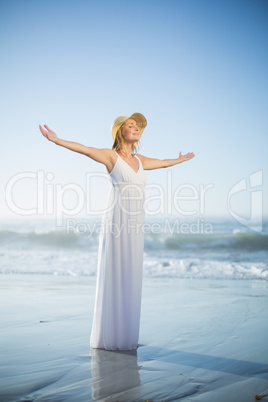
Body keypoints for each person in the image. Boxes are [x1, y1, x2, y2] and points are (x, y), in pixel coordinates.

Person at [39, 113, 195, 351]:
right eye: (130, 126)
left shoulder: (140, 160)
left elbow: (162, 162)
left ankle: (125, 335)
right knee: (116, 273)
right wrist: (57, 140)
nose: (136, 129)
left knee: (131, 275)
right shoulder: (111, 156)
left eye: (137, 127)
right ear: (120, 131)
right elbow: (85, 149)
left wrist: (180, 160)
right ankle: (111, 336)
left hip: (135, 226)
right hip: (116, 223)